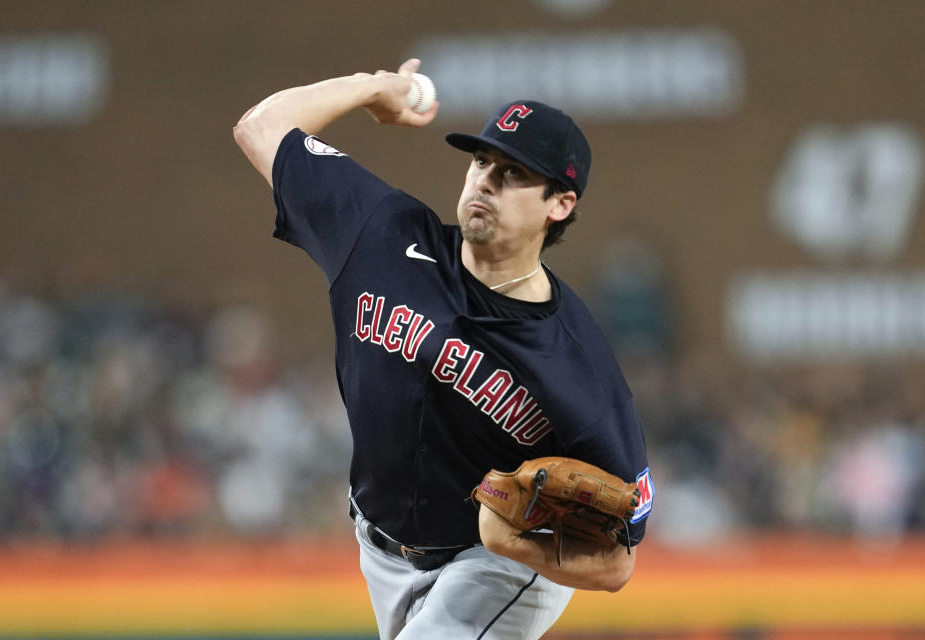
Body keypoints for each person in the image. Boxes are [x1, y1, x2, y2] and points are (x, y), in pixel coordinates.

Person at [233, 59, 653, 640]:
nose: (484, 179)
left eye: (513, 172)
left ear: (560, 203)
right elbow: (261, 126)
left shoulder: (576, 365)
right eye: (481, 160)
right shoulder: (382, 234)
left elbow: (619, 562)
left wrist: (514, 545)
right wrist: (374, 88)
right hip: (377, 546)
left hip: (498, 567)